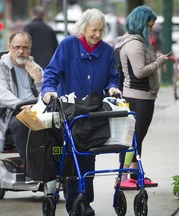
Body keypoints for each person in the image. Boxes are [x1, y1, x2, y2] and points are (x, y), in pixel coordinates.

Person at [42, 8, 121, 216]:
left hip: (93, 110)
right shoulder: (68, 45)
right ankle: (74, 205)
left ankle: (85, 200)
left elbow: (113, 76)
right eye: (93, 30)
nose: (97, 34)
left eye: (101, 30)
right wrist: (48, 90)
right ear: (83, 29)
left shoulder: (106, 50)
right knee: (71, 157)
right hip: (71, 110)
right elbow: (51, 72)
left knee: (88, 156)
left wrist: (113, 87)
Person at [114, 6, 174, 190]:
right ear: (141, 24)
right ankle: (123, 177)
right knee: (134, 137)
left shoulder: (132, 42)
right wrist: (159, 62)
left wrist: (154, 58)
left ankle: (135, 174)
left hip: (136, 96)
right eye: (149, 26)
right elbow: (140, 72)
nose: (151, 29)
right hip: (140, 97)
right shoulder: (135, 44)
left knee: (134, 137)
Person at [0, 31, 43, 168]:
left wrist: (38, 80)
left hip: (36, 111)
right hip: (9, 114)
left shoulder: (35, 67)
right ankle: (31, 168)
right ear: (10, 47)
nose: (21, 51)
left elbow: (47, 94)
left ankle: (55, 166)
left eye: (25, 48)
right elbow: (2, 94)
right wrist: (21, 105)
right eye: (17, 47)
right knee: (21, 122)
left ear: (30, 49)